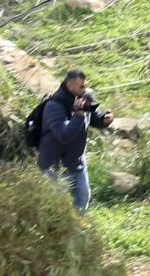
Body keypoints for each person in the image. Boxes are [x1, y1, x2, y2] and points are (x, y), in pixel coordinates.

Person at [38, 70, 114, 212]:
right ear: (70, 86)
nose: (84, 90)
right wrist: (78, 115)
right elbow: (64, 135)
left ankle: (77, 231)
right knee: (56, 208)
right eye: (81, 87)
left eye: (85, 86)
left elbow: (94, 117)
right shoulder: (54, 106)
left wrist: (105, 119)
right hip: (55, 166)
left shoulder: (84, 98)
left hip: (76, 163)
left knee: (82, 200)